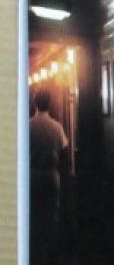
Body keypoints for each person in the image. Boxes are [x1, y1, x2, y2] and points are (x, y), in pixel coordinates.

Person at [30, 89, 68, 226]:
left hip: (33, 175)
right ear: (50, 103)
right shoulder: (57, 127)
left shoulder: (28, 126)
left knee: (35, 212)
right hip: (51, 175)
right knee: (51, 213)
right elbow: (64, 151)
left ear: (35, 102)